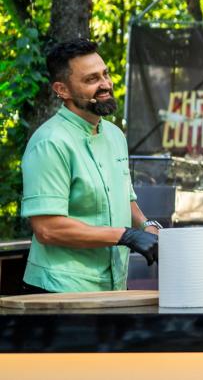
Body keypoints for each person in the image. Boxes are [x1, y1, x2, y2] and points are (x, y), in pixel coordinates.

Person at [21, 39, 159, 293]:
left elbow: (124, 199)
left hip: (114, 286)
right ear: (62, 90)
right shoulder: (50, 142)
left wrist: (147, 226)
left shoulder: (115, 135)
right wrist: (126, 236)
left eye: (105, 74)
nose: (105, 84)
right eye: (91, 79)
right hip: (60, 289)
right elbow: (47, 229)